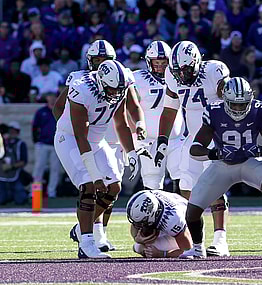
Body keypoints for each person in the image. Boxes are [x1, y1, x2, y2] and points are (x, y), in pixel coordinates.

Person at [53, 40, 145, 253]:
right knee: (88, 185)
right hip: (71, 139)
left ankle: (80, 228)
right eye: (112, 90)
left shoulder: (120, 83)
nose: (115, 94)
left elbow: (121, 121)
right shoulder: (80, 88)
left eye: (118, 91)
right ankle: (86, 243)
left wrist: (131, 152)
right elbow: (80, 136)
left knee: (114, 186)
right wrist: (94, 175)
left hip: (96, 139)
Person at [181, 77, 262, 258]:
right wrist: (216, 154)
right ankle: (198, 248)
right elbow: (195, 149)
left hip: (249, 162)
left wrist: (261, 150)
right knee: (192, 212)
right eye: (234, 104)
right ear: (225, 99)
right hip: (223, 165)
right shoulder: (214, 111)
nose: (238, 109)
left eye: (243, 104)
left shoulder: (258, 110)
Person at [155, 40, 231, 256]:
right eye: (178, 70)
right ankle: (196, 243)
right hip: (193, 139)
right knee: (186, 187)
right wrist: (162, 140)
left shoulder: (215, 72)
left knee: (216, 188)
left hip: (216, 137)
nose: (182, 74)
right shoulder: (172, 75)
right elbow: (170, 110)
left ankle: (220, 240)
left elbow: (233, 102)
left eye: (187, 69)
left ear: (197, 62)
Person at [134, 41, 183, 192]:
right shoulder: (137, 78)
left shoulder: (179, 77)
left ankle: (183, 214)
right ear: (149, 62)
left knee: (183, 178)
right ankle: (153, 216)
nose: (161, 66)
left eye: (164, 62)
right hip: (150, 140)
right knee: (152, 180)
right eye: (157, 62)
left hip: (176, 138)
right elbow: (130, 108)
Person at [126, 190, 193, 258]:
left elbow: (189, 252)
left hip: (189, 229)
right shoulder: (146, 196)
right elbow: (135, 224)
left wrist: (162, 254)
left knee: (142, 247)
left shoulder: (173, 220)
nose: (136, 226)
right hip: (179, 207)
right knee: (139, 246)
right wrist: (137, 239)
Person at [32, 93, 62, 198]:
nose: (52, 99)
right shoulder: (41, 112)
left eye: (54, 96)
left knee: (55, 169)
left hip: (56, 144)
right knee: (39, 168)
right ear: (47, 98)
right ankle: (35, 192)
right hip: (43, 143)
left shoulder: (60, 110)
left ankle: (52, 192)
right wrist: (36, 141)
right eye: (50, 96)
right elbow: (35, 127)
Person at [0, 122, 28, 205]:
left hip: (15, 174)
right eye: (10, 130)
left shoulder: (21, 144)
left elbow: (23, 161)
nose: (12, 133)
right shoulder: (2, 143)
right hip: (1, 175)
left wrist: (11, 166)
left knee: (20, 200)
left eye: (14, 131)